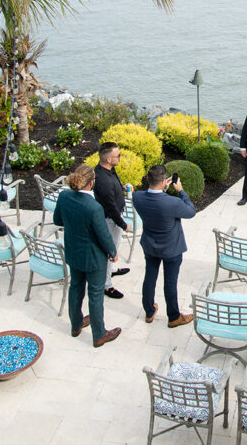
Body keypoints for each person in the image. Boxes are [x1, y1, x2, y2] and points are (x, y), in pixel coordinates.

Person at [52, 164, 121, 348]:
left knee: (75, 288)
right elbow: (104, 235)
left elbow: (57, 220)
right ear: (91, 183)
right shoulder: (94, 207)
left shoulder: (64, 196)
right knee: (95, 294)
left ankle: (75, 325)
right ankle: (99, 334)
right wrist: (112, 252)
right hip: (93, 257)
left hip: (74, 252)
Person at [133, 164, 196, 327]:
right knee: (170, 281)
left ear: (148, 179)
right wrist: (181, 190)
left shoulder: (137, 197)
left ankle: (148, 311)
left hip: (150, 245)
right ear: (163, 181)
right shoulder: (172, 202)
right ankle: (174, 317)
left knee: (150, 276)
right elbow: (190, 211)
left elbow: (155, 203)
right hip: (171, 248)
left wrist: (163, 191)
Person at [92, 141, 130, 299]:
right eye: (118, 156)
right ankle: (106, 286)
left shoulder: (106, 169)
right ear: (108, 159)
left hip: (115, 216)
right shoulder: (104, 181)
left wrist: (121, 188)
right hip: (111, 220)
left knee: (114, 246)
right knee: (109, 250)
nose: (120, 157)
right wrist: (123, 224)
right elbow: (110, 208)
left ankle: (112, 270)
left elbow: (114, 184)